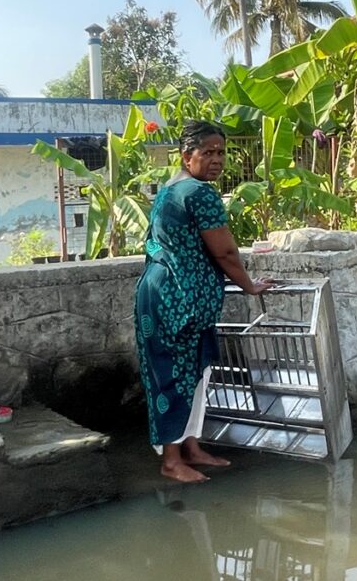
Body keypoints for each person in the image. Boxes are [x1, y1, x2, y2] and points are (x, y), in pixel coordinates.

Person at [135, 120, 272, 484]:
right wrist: (249, 286)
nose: (217, 160)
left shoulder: (170, 189)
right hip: (175, 300)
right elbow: (225, 252)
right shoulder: (199, 194)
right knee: (173, 376)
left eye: (221, 152)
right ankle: (171, 459)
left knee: (196, 374)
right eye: (208, 152)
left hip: (171, 296)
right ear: (186, 156)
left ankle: (191, 446)